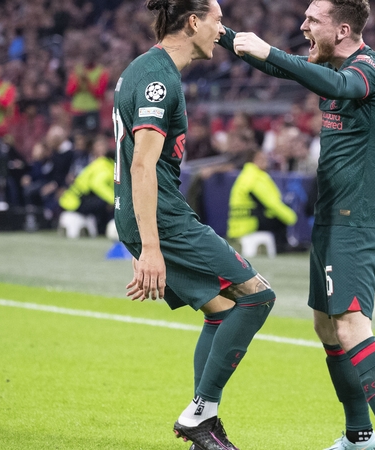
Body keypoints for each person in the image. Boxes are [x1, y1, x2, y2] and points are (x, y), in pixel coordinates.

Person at [221, 1, 375, 449]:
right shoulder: (329, 68)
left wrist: (269, 52)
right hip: (332, 217)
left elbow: (339, 83)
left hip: (358, 218)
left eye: (313, 20)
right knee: (327, 328)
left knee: (350, 325)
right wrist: (221, 33)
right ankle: (359, 437)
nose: (303, 25)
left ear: (343, 29)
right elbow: (299, 73)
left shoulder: (371, 68)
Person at [112, 1, 275, 449]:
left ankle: (205, 415)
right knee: (258, 296)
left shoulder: (147, 69)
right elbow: (141, 166)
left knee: (221, 313)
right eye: (218, 20)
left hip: (153, 215)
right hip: (163, 219)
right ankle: (199, 415)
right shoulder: (158, 80)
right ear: (193, 22)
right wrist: (151, 247)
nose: (224, 30)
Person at [227, 149, 298, 251]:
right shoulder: (255, 178)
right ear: (251, 161)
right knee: (280, 219)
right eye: (260, 159)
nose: (265, 161)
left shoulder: (244, 176)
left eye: (265, 158)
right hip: (250, 224)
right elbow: (271, 203)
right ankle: (282, 248)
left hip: (237, 224)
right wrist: (291, 217)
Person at [59, 134, 115, 235]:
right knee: (106, 203)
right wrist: (113, 199)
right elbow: (97, 184)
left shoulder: (101, 163)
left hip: (73, 199)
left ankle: (97, 229)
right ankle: (102, 230)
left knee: (103, 202)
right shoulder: (105, 165)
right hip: (75, 201)